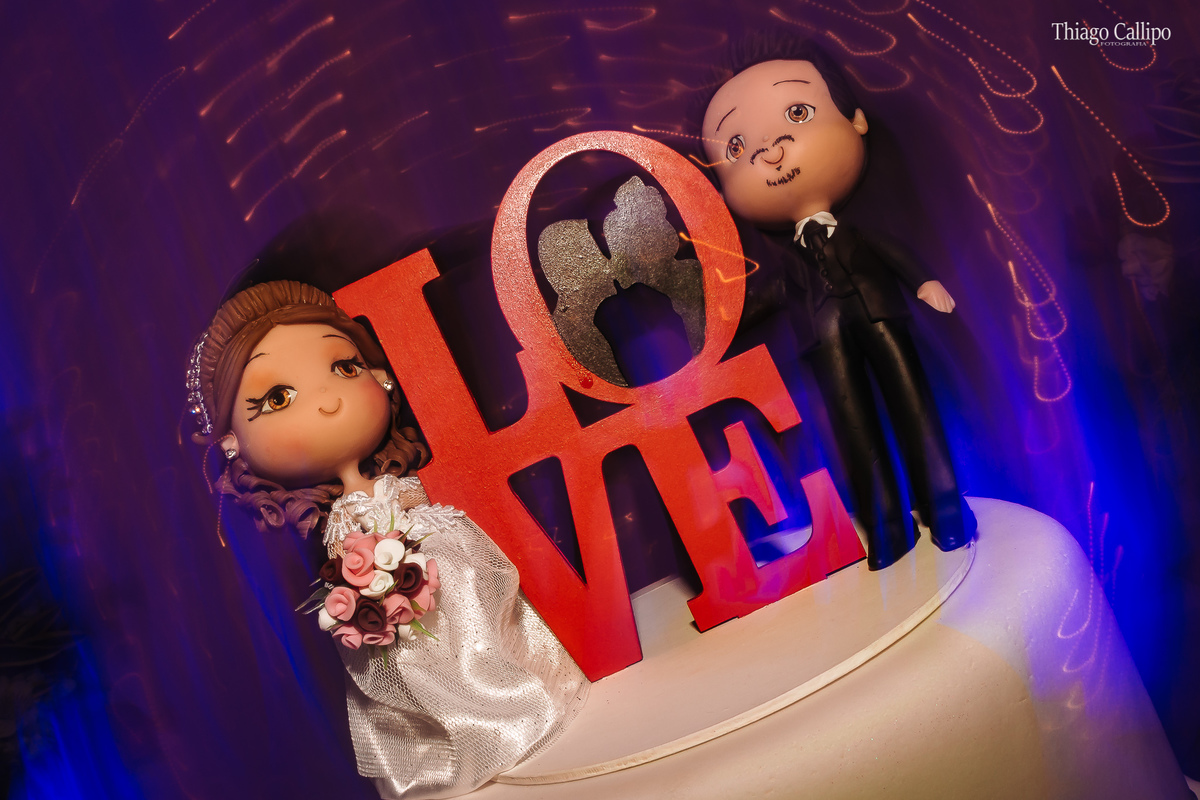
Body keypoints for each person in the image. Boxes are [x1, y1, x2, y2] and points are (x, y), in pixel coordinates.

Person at [186, 280, 587, 799]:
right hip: (393, 609)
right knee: (415, 666)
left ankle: (526, 690)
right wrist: (368, 585)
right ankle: (466, 736)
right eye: (278, 398)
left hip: (449, 563)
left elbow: (423, 500)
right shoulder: (336, 518)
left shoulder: (400, 480)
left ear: (380, 374)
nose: (329, 402)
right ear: (232, 442)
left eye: (344, 367)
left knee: (484, 620)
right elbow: (345, 554)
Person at [698, 37, 976, 570]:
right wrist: (720, 327)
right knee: (854, 433)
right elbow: (763, 300)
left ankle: (946, 510)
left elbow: (893, 252)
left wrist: (923, 282)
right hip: (824, 343)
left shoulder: (861, 235)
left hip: (882, 317)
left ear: (856, 121)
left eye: (797, 114)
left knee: (915, 410)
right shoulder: (787, 267)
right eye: (736, 147)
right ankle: (886, 528)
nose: (770, 151)